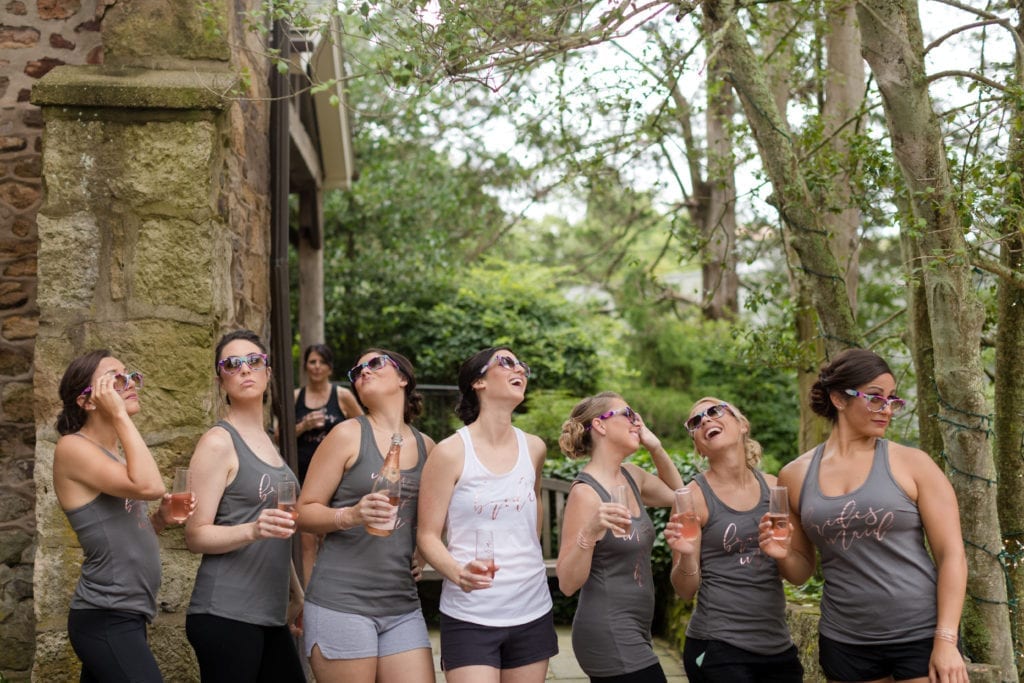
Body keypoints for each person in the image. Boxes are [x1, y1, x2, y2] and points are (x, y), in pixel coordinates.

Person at [778, 348, 968, 683]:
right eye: (875, 398)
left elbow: (951, 554)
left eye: (893, 400)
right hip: (844, 640)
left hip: (920, 634)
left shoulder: (914, 463)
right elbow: (800, 572)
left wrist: (946, 640)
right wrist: (780, 554)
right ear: (839, 398)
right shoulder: (794, 476)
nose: (886, 410)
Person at [418, 347, 558, 682]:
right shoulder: (450, 452)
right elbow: (426, 535)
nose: (520, 369)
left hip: (532, 609)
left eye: (521, 364)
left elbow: (533, 504)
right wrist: (458, 571)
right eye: (507, 362)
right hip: (470, 615)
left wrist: (525, 554)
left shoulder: (534, 447)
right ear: (478, 381)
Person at [296, 348, 435, 682]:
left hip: (402, 605)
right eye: (356, 371)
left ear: (403, 378)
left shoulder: (429, 447)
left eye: (374, 364)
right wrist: (350, 515)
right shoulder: (346, 435)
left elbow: (435, 521)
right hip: (340, 602)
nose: (363, 372)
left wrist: (424, 555)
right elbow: (303, 512)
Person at [52, 349, 188, 683]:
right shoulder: (72, 448)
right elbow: (150, 485)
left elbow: (118, 529)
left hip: (127, 615)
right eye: (116, 379)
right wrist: (122, 418)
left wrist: (158, 521)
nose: (130, 384)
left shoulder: (112, 454)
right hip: (104, 617)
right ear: (87, 400)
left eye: (130, 376)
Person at [184, 330, 306, 682]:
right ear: (220, 378)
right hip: (225, 612)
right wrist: (252, 530)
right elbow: (195, 535)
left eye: (254, 361)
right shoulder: (218, 442)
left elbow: (278, 529)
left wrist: (295, 592)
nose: (244, 370)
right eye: (231, 364)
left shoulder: (268, 441)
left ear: (268, 372)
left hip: (268, 615)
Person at [666, 397, 804, 682]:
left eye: (715, 411)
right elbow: (684, 590)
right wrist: (688, 555)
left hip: (779, 649)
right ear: (699, 447)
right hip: (717, 648)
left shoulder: (775, 487)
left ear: (742, 425)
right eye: (696, 421)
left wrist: (784, 554)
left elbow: (800, 575)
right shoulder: (691, 498)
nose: (705, 420)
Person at [556, 391, 684, 683]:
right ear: (600, 426)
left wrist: (656, 447)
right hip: (607, 630)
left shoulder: (631, 475)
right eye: (627, 413)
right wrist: (590, 531)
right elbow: (567, 583)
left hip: (638, 629)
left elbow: (681, 498)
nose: (636, 421)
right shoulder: (585, 493)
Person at [293, 343, 362, 585]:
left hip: (336, 478)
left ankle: (334, 587)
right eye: (312, 361)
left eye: (321, 362)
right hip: (303, 475)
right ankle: (307, 600)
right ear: (305, 367)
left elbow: (363, 427)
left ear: (330, 368)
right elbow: (280, 436)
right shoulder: (296, 396)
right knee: (307, 540)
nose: (317, 366)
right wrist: (303, 426)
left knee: (333, 534)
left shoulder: (342, 396)